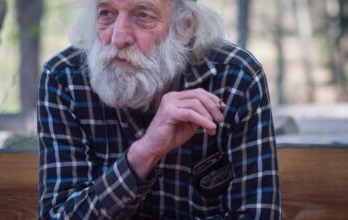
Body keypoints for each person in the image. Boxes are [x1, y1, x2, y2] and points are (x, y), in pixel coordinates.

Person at [37, 0, 281, 219]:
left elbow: (258, 214)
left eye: (143, 15)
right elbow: (58, 214)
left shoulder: (235, 77)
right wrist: (145, 151)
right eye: (106, 13)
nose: (118, 37)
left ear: (184, 26)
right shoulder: (64, 78)